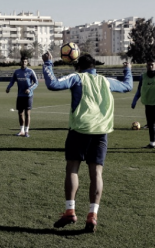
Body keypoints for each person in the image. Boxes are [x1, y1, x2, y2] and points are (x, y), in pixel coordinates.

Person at [42, 52, 132, 232]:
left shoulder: (77, 77)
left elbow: (53, 84)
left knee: (73, 169)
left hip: (80, 130)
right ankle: (92, 215)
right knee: (96, 174)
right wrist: (127, 69)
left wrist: (48, 63)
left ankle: (70, 211)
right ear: (95, 67)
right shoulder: (105, 81)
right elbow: (128, 86)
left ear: (79, 67)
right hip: (101, 132)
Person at [6, 56, 38, 137]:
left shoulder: (30, 71)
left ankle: (27, 131)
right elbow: (12, 81)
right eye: (22, 61)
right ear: (20, 62)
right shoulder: (17, 72)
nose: (24, 63)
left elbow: (36, 83)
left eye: (25, 61)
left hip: (28, 96)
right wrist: (9, 87)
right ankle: (21, 131)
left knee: (27, 113)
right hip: (20, 95)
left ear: (27, 62)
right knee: (20, 113)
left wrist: (30, 89)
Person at [131, 58, 155, 148]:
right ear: (146, 66)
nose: (150, 66)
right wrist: (134, 100)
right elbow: (139, 90)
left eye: (152, 64)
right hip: (148, 104)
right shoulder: (143, 76)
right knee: (150, 124)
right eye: (149, 65)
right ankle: (152, 143)